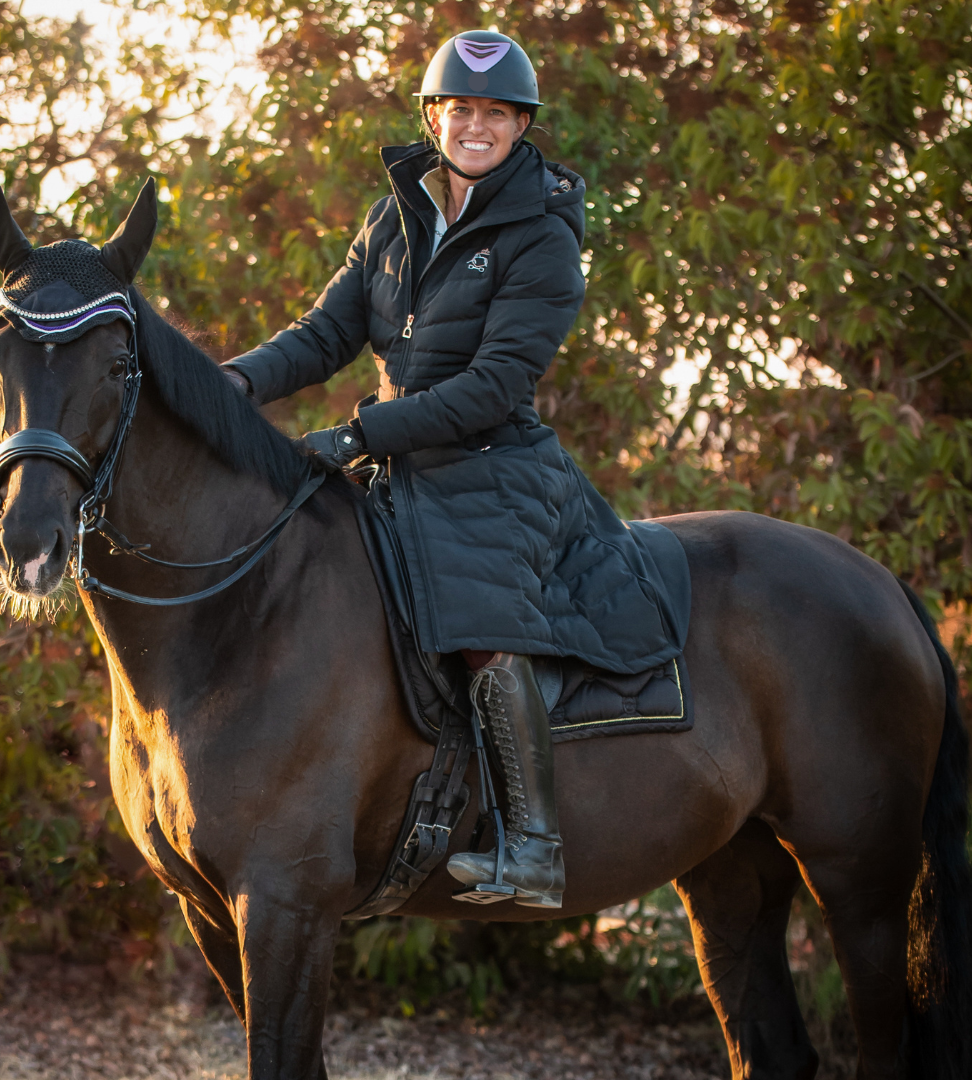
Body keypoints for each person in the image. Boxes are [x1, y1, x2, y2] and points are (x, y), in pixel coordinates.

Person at [223, 30, 688, 909]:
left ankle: (536, 847)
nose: (476, 125)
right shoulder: (392, 217)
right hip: (402, 462)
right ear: (433, 116)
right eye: (460, 109)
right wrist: (231, 383)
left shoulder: (543, 238)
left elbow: (492, 386)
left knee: (481, 623)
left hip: (494, 464)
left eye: (496, 113)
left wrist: (362, 434)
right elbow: (326, 335)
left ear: (520, 125)